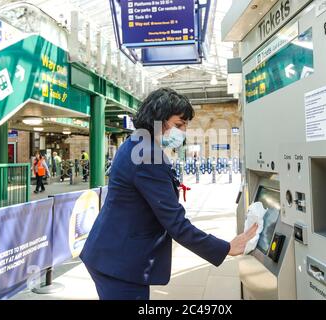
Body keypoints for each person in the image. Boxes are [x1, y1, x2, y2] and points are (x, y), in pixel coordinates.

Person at [80, 88, 258, 300]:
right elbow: (175, 223)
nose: (182, 132)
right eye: (178, 125)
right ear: (158, 120)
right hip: (118, 263)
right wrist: (226, 247)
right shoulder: (146, 156)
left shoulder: (138, 143)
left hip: (111, 254)